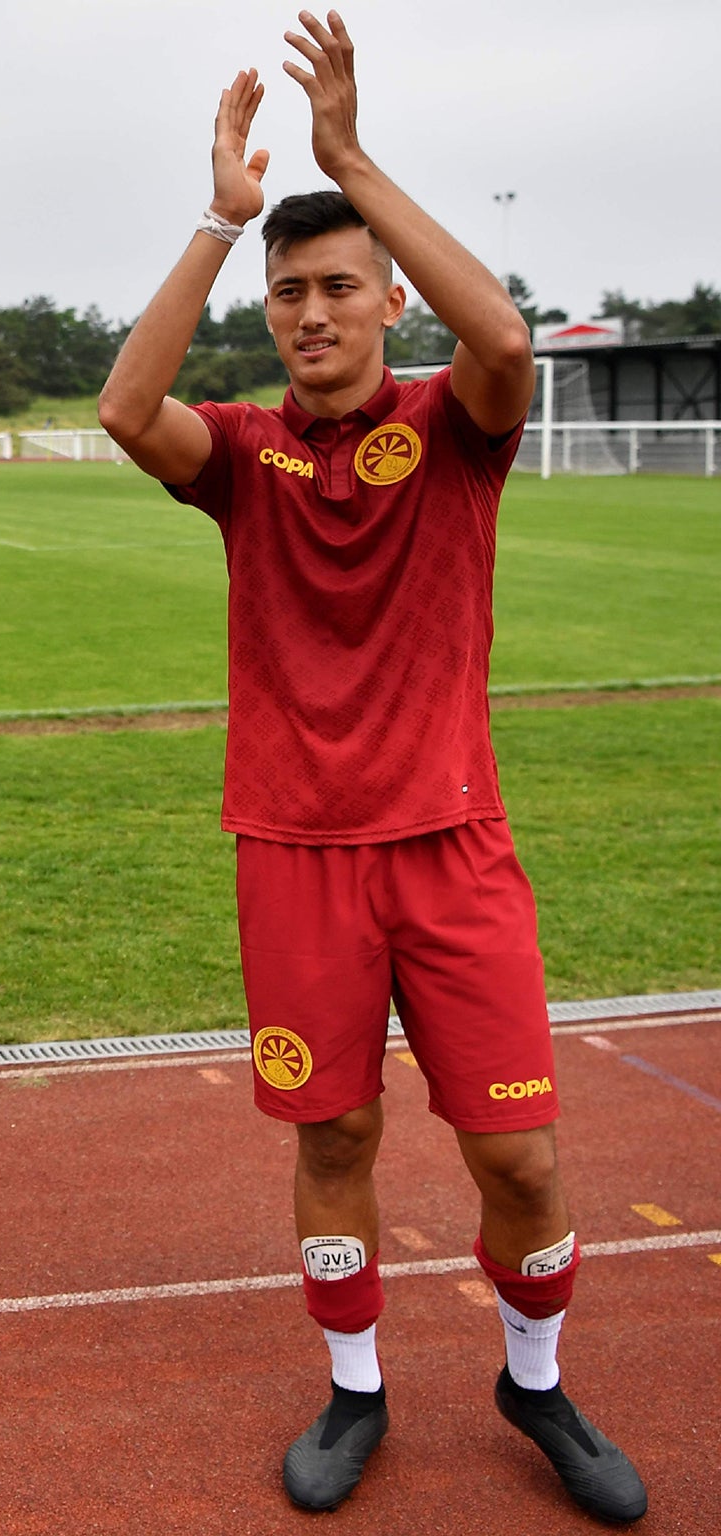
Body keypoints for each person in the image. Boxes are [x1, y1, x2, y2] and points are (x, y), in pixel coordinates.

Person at [94, 13, 645, 1521]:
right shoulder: (244, 455)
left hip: (453, 846)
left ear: (390, 299)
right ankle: (355, 1394)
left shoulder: (453, 427)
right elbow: (124, 412)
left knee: (519, 1156)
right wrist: (221, 218)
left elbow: (510, 338)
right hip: (294, 850)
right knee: (334, 1133)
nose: (311, 312)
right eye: (290, 294)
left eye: (339, 286)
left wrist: (346, 161)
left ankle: (534, 1381)